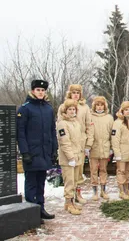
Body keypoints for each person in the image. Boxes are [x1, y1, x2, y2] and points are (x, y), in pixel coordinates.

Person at [17, 80, 58, 222]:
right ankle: (31, 211)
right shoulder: (25, 109)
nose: (41, 92)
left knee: (41, 182)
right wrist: (25, 152)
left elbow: (52, 131)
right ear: (33, 91)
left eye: (43, 90)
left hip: (45, 152)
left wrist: (54, 150)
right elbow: (20, 133)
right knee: (31, 183)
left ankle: (40, 209)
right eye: (38, 90)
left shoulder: (48, 109)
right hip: (32, 153)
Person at [58, 84, 91, 204]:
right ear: (70, 93)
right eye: (74, 92)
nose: (76, 94)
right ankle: (69, 200)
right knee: (70, 176)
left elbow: (89, 126)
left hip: (80, 144)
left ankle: (78, 194)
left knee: (78, 173)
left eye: (78, 92)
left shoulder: (85, 107)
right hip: (69, 144)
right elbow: (61, 127)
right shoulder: (64, 106)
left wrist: (88, 144)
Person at [57, 99, 84, 215]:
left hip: (77, 157)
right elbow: (65, 142)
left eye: (74, 109)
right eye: (70, 109)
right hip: (68, 159)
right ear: (65, 111)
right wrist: (70, 158)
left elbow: (79, 140)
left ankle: (71, 201)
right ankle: (68, 203)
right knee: (69, 181)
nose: (72, 111)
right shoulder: (62, 124)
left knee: (75, 181)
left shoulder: (76, 123)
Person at [85, 96, 114, 201]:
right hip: (94, 147)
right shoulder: (90, 117)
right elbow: (88, 131)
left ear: (104, 106)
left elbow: (112, 133)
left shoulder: (109, 118)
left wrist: (111, 147)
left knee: (103, 169)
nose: (100, 107)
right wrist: (87, 146)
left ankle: (103, 190)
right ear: (94, 106)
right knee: (93, 170)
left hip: (105, 147)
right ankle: (94, 191)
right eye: (98, 105)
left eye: (101, 105)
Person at [111, 101, 129, 200]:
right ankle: (122, 191)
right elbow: (115, 139)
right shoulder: (118, 123)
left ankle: (128, 189)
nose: (128, 111)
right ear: (122, 111)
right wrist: (117, 153)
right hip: (121, 153)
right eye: (126, 110)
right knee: (121, 171)